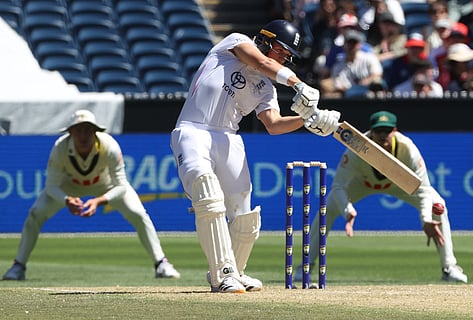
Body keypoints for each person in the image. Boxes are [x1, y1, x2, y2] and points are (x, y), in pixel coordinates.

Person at [169, 19, 340, 293]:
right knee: (208, 195)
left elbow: (273, 124)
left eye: (288, 57)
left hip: (229, 138)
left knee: (245, 212)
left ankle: (236, 272)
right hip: (193, 130)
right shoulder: (235, 42)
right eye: (281, 52)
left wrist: (307, 120)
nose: (284, 59)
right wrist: (298, 84)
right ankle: (222, 275)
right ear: (266, 40)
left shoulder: (265, 87)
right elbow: (262, 63)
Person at [2, 110, 180, 281]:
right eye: (78, 130)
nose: (83, 136)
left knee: (139, 214)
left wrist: (99, 201)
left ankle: (161, 263)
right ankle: (18, 266)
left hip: (105, 185)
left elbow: (121, 186)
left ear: (95, 132)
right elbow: (51, 187)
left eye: (88, 130)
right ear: (70, 132)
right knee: (35, 213)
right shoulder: (60, 147)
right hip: (69, 187)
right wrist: (66, 200)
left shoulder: (109, 146)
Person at [296, 111, 468, 283]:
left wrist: (426, 220)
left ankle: (449, 268)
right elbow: (338, 186)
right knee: (327, 208)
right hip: (362, 184)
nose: (383, 135)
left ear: (395, 131)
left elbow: (423, 189)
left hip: (400, 184)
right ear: (371, 132)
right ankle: (306, 266)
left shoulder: (407, 148)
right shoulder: (357, 147)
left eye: (387, 130)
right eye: (379, 131)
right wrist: (348, 211)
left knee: (438, 205)